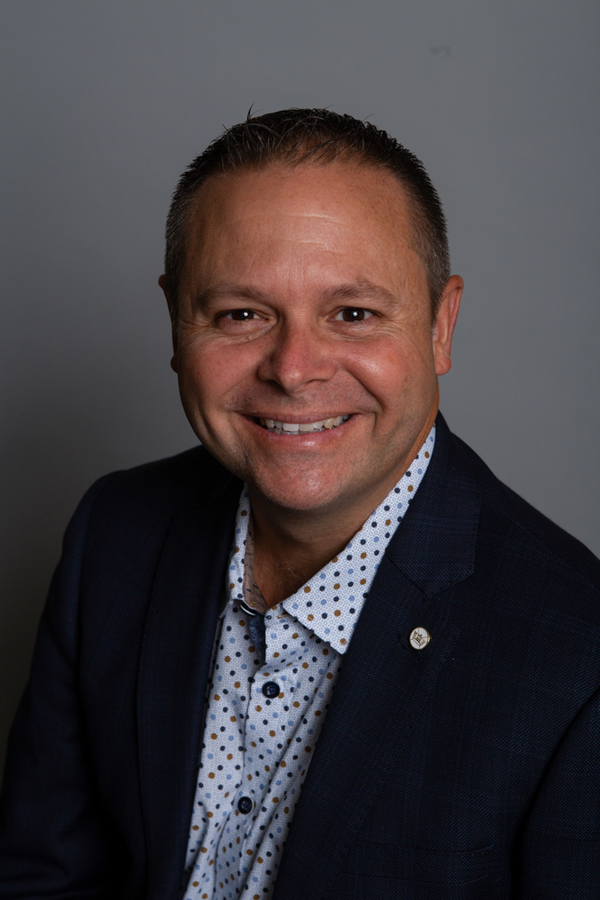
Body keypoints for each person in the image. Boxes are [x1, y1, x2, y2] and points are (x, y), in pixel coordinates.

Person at [1, 108, 599, 900]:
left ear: (440, 324)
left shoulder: (577, 650)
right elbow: (42, 878)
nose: (293, 369)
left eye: (352, 314)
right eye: (241, 314)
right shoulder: (115, 537)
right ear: (176, 322)